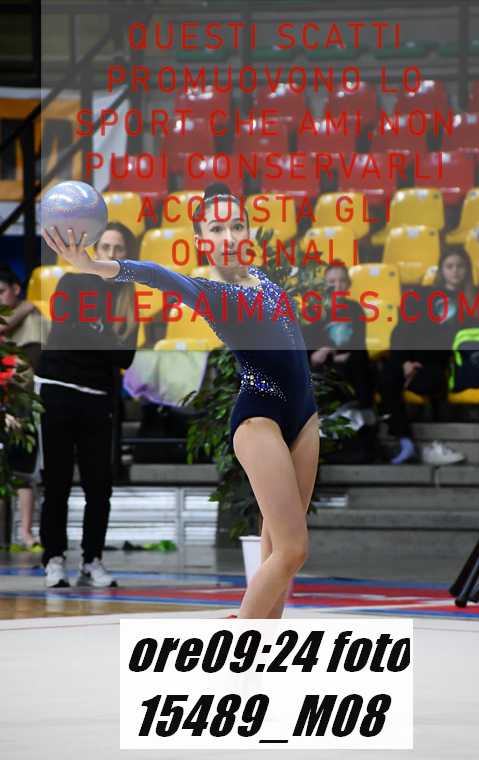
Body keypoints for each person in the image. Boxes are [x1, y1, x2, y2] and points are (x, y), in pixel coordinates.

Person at [43, 182, 319, 619]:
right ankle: (239, 642)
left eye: (237, 226)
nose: (229, 236)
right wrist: (93, 265)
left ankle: (262, 641)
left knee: (276, 549)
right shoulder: (211, 292)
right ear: (201, 240)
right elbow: (155, 275)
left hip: (304, 418)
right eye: (216, 229)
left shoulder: (263, 277)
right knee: (293, 550)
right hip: (260, 419)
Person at [35, 222, 138, 588]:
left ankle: (92, 559)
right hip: (58, 390)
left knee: (99, 486)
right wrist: (104, 336)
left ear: (127, 255)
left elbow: (125, 356)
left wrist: (94, 329)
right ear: (96, 250)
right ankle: (54, 558)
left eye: (119, 249)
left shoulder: (128, 297)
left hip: (99, 398)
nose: (111, 254)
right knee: (57, 482)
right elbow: (67, 332)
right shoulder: (73, 282)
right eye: (106, 247)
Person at [377, 246, 479, 465]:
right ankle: (405, 441)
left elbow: (469, 341)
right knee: (387, 374)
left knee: (395, 379)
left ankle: (404, 439)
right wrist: (405, 362)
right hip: (411, 359)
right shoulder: (425, 295)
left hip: (439, 366)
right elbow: (404, 329)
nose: (455, 271)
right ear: (441, 270)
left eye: (460, 266)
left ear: (467, 270)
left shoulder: (474, 301)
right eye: (449, 266)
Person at [305, 262, 377, 461]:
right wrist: (326, 353)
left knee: (361, 361)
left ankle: (365, 412)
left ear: (348, 285)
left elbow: (359, 347)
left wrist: (332, 352)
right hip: (322, 367)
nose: (337, 286)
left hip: (350, 365)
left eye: (342, 281)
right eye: (332, 282)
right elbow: (309, 351)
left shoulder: (355, 310)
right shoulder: (314, 311)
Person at [0, 265, 48, 548]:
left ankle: (26, 534)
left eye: (1, 292)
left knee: (22, 471)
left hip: (22, 404)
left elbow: (30, 371)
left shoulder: (35, 321)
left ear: (16, 289)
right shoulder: (21, 312)